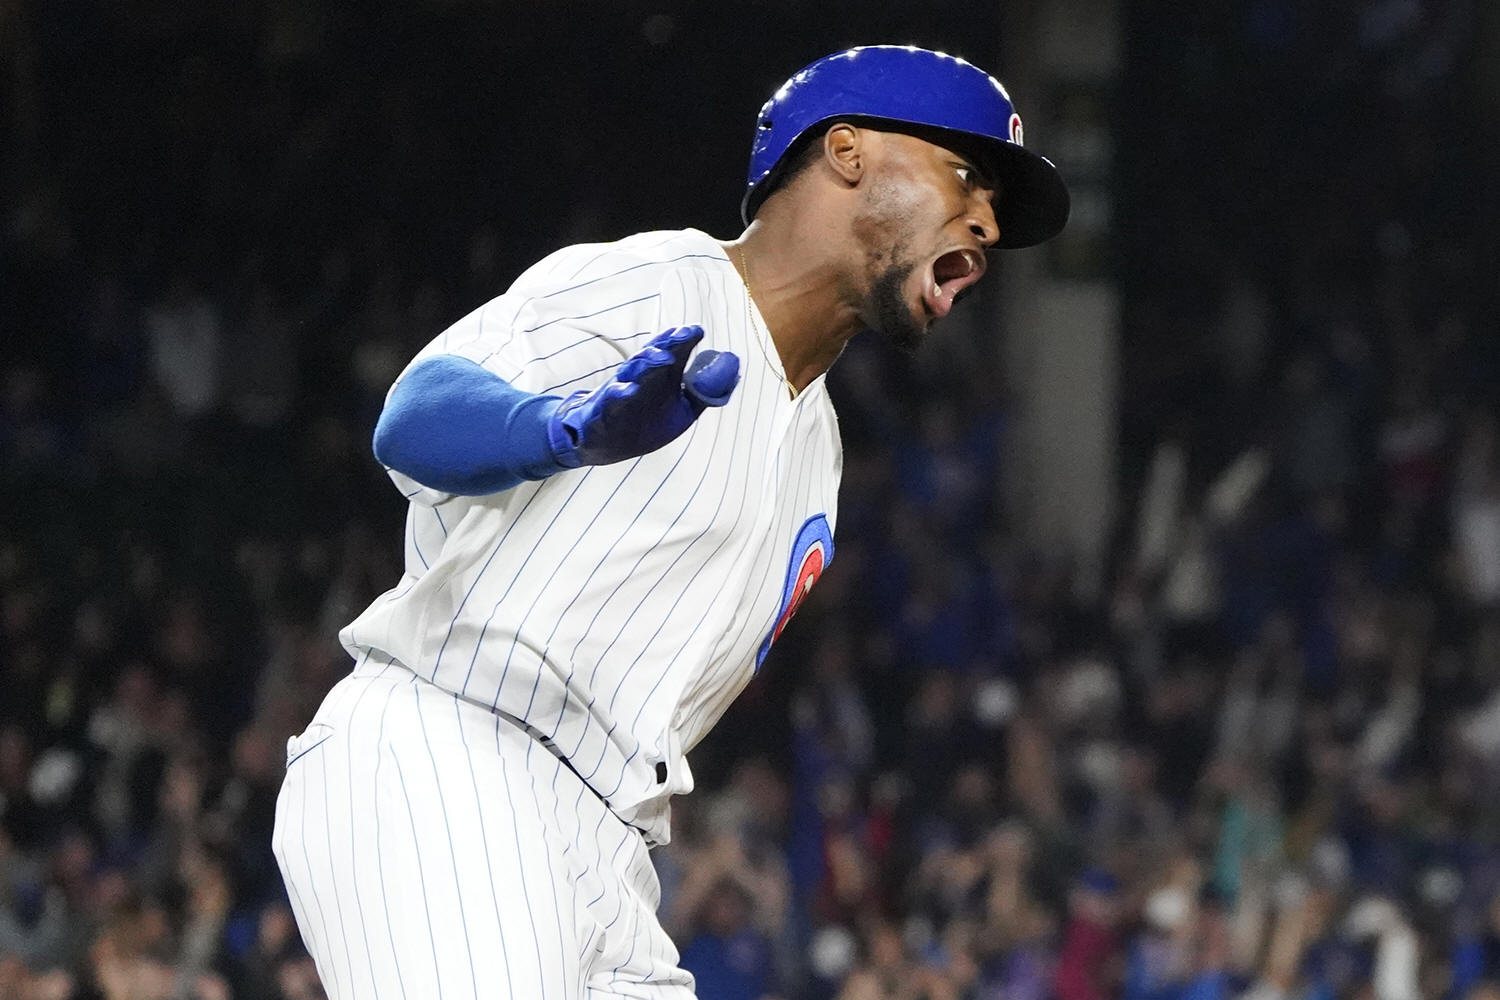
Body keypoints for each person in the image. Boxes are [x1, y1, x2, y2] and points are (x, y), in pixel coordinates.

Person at [272, 44, 1069, 999]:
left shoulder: (819, 453)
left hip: (608, 847)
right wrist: (564, 430)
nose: (988, 222)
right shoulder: (666, 284)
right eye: (967, 173)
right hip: (453, 753)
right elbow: (413, 418)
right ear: (848, 152)